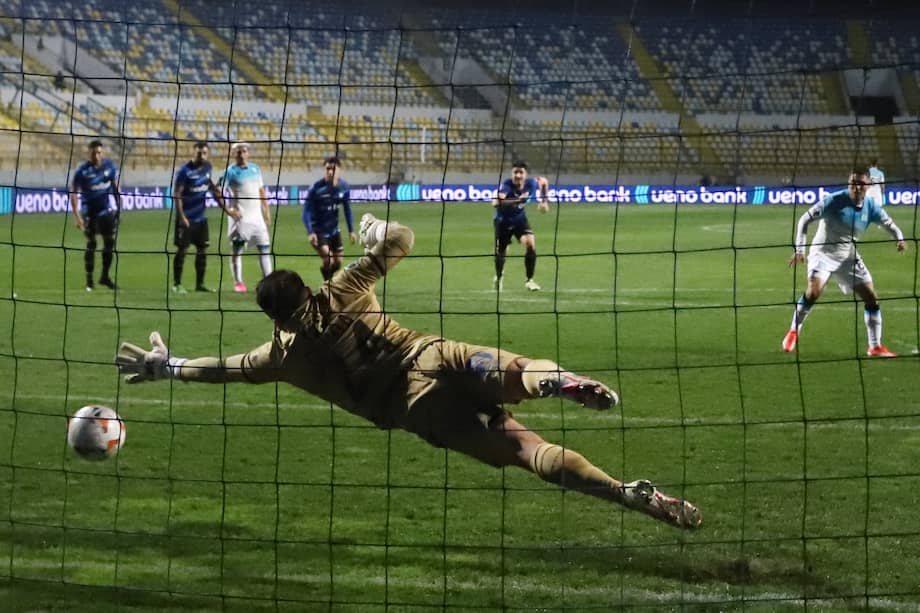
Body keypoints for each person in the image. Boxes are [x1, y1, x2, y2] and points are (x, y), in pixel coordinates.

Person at [116, 214, 702, 530]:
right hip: (429, 354)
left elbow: (223, 369)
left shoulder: (284, 359)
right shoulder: (342, 289)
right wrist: (371, 231)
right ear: (303, 283)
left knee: (527, 451)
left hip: (415, 409)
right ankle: (557, 381)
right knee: (517, 371)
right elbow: (404, 238)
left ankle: (625, 494)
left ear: (273, 314)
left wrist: (166, 366)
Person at [782, 166, 907, 356]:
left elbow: (888, 223)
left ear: (869, 184)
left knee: (871, 298)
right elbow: (804, 220)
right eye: (852, 183)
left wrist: (899, 238)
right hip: (823, 253)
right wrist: (800, 250)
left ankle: (875, 347)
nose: (856, 187)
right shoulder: (834, 201)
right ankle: (793, 330)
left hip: (848, 255)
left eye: (860, 184)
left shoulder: (871, 206)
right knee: (813, 292)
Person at [171, 141, 239, 294]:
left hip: (201, 218)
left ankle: (200, 284)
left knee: (202, 250)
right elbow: (177, 194)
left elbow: (210, 188)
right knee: (182, 250)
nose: (201, 155)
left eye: (204, 153)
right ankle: (177, 284)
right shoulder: (184, 171)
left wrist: (227, 209)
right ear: (193, 152)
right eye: (199, 152)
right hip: (186, 218)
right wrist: (182, 217)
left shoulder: (208, 167)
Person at [219, 142, 272, 293]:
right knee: (237, 250)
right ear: (234, 154)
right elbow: (218, 192)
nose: (241, 154)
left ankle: (267, 280)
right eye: (238, 152)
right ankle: (238, 282)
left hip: (257, 218)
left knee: (265, 249)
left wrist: (266, 210)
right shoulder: (229, 172)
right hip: (240, 219)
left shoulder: (255, 169)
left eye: (244, 151)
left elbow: (261, 191)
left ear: (248, 153)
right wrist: (229, 211)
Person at [70, 139, 121, 291]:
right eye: (94, 153)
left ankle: (105, 277)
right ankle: (89, 281)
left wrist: (119, 209)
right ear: (89, 153)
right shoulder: (82, 171)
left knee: (109, 243)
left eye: (99, 152)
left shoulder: (109, 166)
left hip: (106, 212)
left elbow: (115, 187)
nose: (96, 156)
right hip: (89, 213)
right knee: (91, 244)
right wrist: (77, 216)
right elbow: (74, 193)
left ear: (102, 153)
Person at [492, 161, 549, 291]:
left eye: (521, 172)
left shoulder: (532, 183)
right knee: (502, 252)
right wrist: (518, 200)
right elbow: (496, 202)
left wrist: (544, 201)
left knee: (530, 243)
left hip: (519, 219)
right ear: (512, 173)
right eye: (515, 172)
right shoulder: (506, 185)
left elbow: (544, 181)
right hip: (503, 221)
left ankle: (529, 280)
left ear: (526, 174)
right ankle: (499, 276)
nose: (518, 175)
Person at [303, 155, 356, 281]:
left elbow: (347, 209)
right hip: (319, 231)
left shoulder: (344, 187)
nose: (330, 172)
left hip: (334, 231)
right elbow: (305, 212)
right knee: (329, 259)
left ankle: (327, 278)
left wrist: (351, 230)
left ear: (339, 170)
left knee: (338, 262)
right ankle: (328, 285)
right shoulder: (316, 189)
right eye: (327, 169)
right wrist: (310, 232)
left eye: (333, 169)